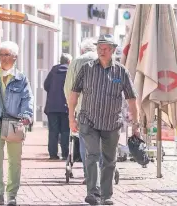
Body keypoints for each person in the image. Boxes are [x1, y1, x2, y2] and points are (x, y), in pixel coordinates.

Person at [68, 34, 139, 205]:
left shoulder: (121, 71)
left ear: (113, 50)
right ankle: (93, 192)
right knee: (92, 155)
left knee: (109, 159)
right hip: (88, 120)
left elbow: (131, 99)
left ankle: (106, 195)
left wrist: (136, 124)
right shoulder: (86, 69)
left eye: (105, 48)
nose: (101, 50)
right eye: (99, 47)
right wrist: (71, 117)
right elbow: (74, 93)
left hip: (111, 123)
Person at [0, 41, 34, 205]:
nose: (2, 58)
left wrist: (26, 115)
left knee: (14, 160)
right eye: (0, 54)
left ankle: (11, 195)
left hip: (14, 124)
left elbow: (27, 100)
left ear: (15, 57)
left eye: (6, 54)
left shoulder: (21, 79)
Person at [64, 37, 99, 185]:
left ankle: (89, 174)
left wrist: (72, 109)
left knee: (85, 142)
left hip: (83, 109)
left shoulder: (76, 61)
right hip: (103, 109)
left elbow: (69, 87)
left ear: (82, 50)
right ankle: (103, 173)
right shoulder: (103, 59)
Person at [44, 53, 72, 160]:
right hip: (66, 106)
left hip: (52, 106)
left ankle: (53, 154)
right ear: (69, 62)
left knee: (53, 131)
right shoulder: (70, 72)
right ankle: (65, 153)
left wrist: (53, 94)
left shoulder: (53, 71)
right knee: (65, 130)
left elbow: (46, 85)